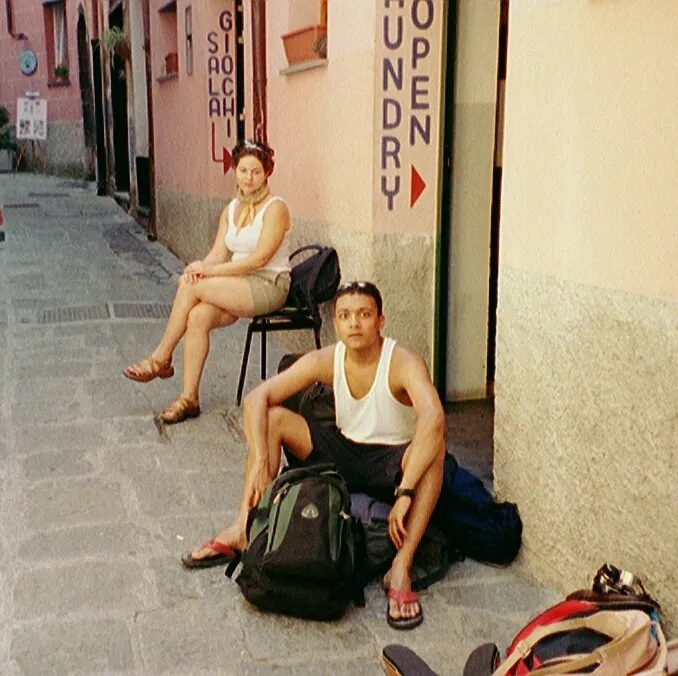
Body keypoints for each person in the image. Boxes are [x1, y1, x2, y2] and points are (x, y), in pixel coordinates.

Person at [181, 281, 446, 631]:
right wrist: (261, 459)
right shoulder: (329, 358)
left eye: (364, 315)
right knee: (274, 419)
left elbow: (434, 418)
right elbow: (257, 398)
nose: (354, 324)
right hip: (342, 453)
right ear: (335, 323)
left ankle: (401, 566)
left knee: (434, 449)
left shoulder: (403, 361)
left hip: (391, 460)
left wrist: (406, 491)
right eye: (345, 316)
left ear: (381, 320)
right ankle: (243, 527)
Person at [122, 141, 292, 423]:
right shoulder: (232, 209)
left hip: (268, 284)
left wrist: (208, 274)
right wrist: (199, 266)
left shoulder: (276, 208)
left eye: (256, 172)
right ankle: (189, 398)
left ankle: (160, 358)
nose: (249, 177)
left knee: (192, 286)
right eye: (243, 170)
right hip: (237, 284)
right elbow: (217, 253)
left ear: (267, 174)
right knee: (198, 315)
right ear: (234, 171)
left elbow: (259, 260)